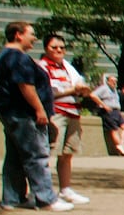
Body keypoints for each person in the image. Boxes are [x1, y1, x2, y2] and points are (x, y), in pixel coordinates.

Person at [0, 21, 71, 212]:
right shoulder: (17, 57)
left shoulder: (5, 56)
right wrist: (39, 109)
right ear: (18, 35)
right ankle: (46, 199)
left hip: (12, 113)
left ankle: (13, 198)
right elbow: (25, 85)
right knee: (36, 155)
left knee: (15, 158)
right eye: (31, 34)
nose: (35, 38)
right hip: (24, 114)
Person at [39, 34, 91, 205]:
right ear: (46, 48)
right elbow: (49, 92)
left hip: (73, 112)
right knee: (48, 152)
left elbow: (80, 87)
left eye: (62, 47)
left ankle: (65, 189)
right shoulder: (43, 67)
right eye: (54, 47)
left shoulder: (68, 67)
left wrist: (81, 90)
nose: (59, 50)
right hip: (56, 113)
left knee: (67, 153)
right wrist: (72, 90)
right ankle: (41, 191)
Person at [92, 73, 124, 156]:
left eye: (116, 81)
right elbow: (92, 95)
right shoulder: (103, 88)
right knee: (114, 130)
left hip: (117, 112)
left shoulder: (114, 90)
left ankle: (121, 145)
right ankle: (121, 148)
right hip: (108, 112)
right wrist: (104, 105)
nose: (114, 82)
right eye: (112, 81)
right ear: (108, 81)